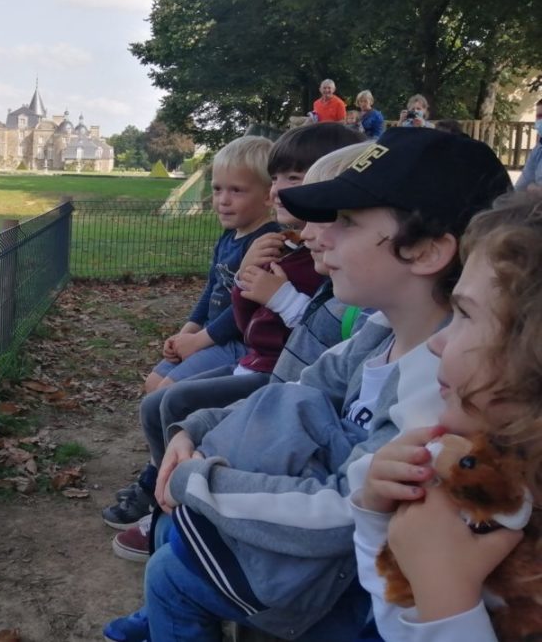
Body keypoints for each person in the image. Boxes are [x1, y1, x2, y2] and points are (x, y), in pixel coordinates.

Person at [104, 128, 510, 642]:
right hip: (310, 561)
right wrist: (193, 430)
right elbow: (294, 388)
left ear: (427, 251)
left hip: (342, 595)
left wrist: (198, 481)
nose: (320, 233)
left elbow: (346, 508)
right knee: (175, 540)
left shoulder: (441, 385)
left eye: (345, 221)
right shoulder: (377, 331)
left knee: (172, 568)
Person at [103, 133, 369, 567]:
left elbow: (313, 338)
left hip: (276, 374)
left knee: (176, 400)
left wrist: (272, 295)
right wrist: (249, 278)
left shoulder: (320, 262)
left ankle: (178, 506)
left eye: (294, 178)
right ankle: (164, 487)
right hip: (257, 362)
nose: (280, 188)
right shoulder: (280, 246)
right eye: (277, 177)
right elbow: (248, 321)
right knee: (158, 404)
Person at [352, 189, 542, 641]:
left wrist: (447, 596)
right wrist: (378, 520)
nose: (437, 341)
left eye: (464, 315)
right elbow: (395, 625)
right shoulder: (482, 470)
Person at [142, 136, 279, 394]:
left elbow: (246, 308)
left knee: (167, 392)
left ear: (268, 196)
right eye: (217, 189)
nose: (223, 200)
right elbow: (212, 290)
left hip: (237, 342)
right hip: (208, 335)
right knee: (152, 384)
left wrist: (197, 341)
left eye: (236, 190)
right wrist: (185, 334)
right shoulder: (229, 237)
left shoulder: (267, 244)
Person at [514, 97, 542, 193]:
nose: (540, 121)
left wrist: (534, 189)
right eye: (539, 117)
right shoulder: (538, 150)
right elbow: (521, 187)